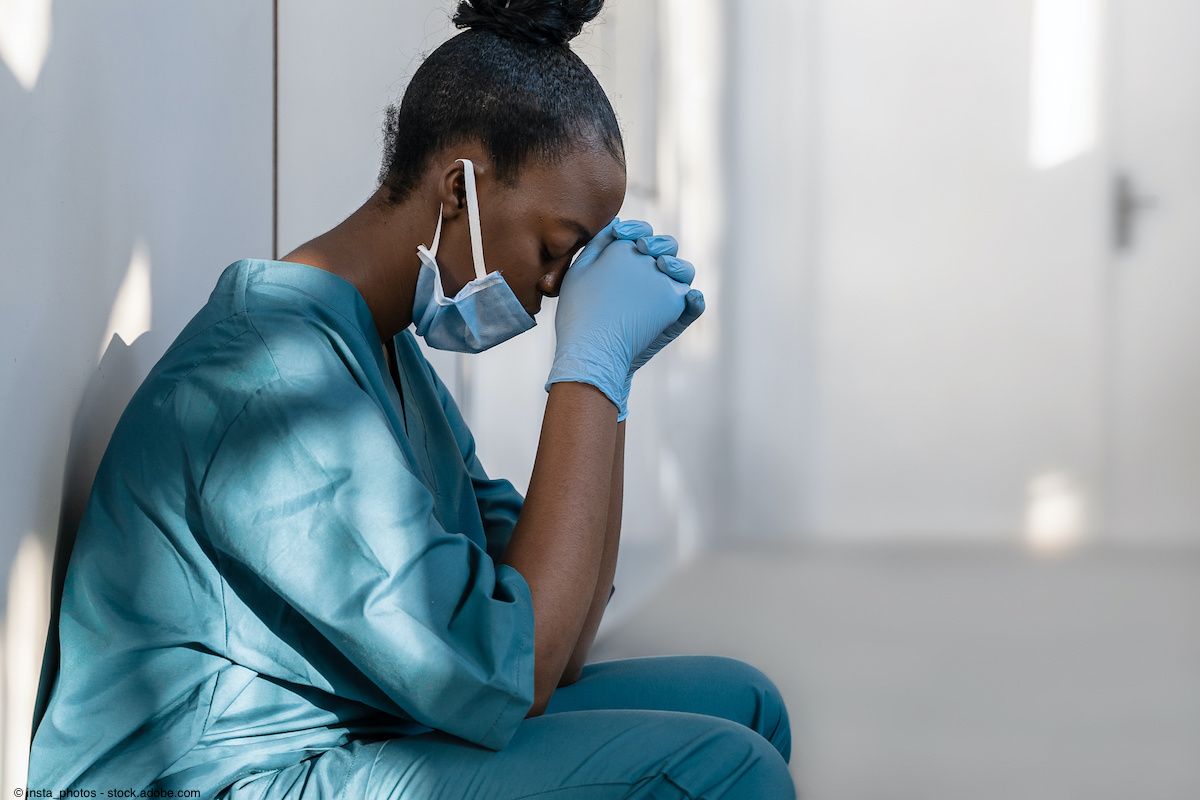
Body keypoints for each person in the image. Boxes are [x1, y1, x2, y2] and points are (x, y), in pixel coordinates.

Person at [28, 1, 795, 797]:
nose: (558, 291)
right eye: (557, 250)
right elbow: (517, 667)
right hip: (226, 772)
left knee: (746, 705)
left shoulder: (388, 354)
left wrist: (616, 378)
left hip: (353, 728)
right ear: (460, 187)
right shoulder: (274, 381)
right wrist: (588, 365)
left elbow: (559, 639)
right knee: (725, 771)